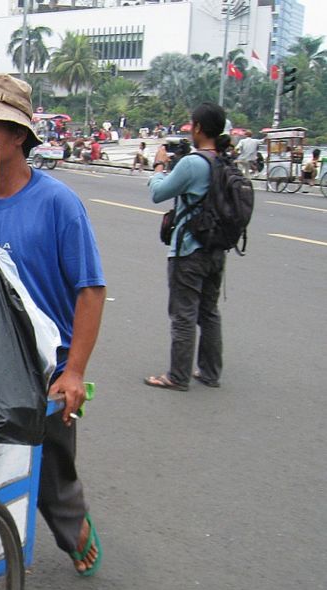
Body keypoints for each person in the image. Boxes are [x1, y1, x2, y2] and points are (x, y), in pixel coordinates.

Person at [0, 73, 107, 576]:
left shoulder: (58, 203)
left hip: (43, 372)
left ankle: (74, 528)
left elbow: (91, 290)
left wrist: (74, 372)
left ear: (19, 137)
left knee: (51, 483)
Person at [145, 102, 230, 391]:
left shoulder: (193, 163)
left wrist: (158, 166)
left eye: (192, 125)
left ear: (199, 128)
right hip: (216, 249)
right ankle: (210, 372)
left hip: (189, 250)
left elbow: (159, 192)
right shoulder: (223, 160)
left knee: (183, 313)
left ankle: (177, 376)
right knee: (209, 311)